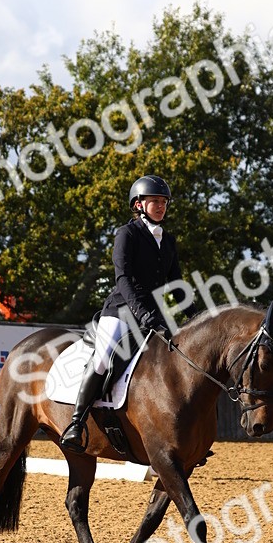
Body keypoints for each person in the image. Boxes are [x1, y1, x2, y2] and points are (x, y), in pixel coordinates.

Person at [60, 174, 182, 453]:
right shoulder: (127, 234)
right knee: (103, 359)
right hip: (121, 311)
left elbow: (177, 283)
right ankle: (76, 423)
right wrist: (142, 313)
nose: (161, 206)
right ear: (139, 204)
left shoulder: (169, 240)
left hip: (154, 315)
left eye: (164, 202)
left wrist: (199, 316)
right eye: (155, 201)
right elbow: (123, 279)